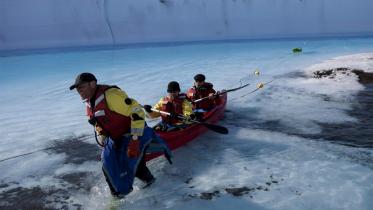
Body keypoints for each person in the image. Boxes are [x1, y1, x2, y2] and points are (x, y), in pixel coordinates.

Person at [70, 72, 171, 197]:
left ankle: (151, 184)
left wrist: (134, 140)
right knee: (107, 165)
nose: (79, 91)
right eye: (77, 89)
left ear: (92, 84)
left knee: (135, 163)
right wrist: (103, 137)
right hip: (115, 138)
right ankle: (117, 195)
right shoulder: (89, 102)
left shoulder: (111, 96)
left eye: (81, 87)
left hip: (133, 133)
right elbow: (99, 121)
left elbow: (137, 112)